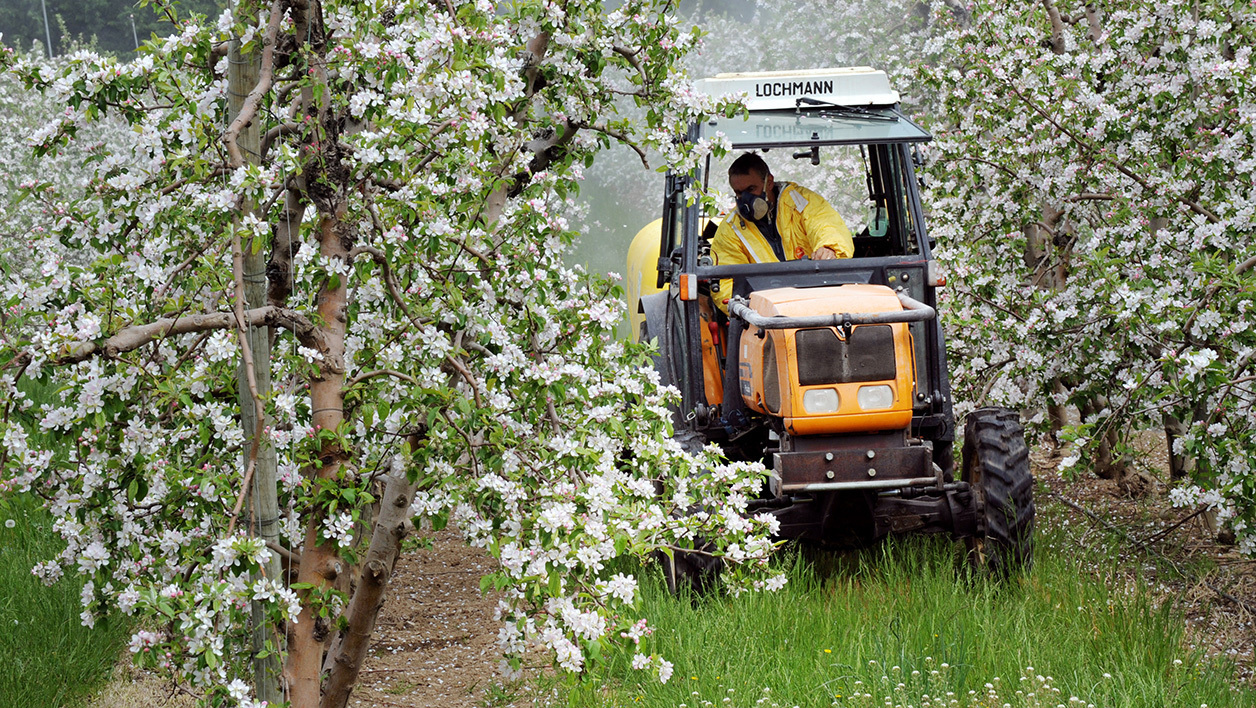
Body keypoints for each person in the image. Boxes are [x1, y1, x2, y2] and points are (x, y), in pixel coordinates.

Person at [710, 152, 854, 432]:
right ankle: (739, 417)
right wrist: (746, 305)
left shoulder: (799, 203)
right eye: (738, 192)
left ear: (769, 182)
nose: (745, 199)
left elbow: (826, 225)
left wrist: (829, 248)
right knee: (741, 329)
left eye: (751, 190)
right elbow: (726, 284)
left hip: (815, 301)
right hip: (766, 316)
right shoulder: (730, 230)